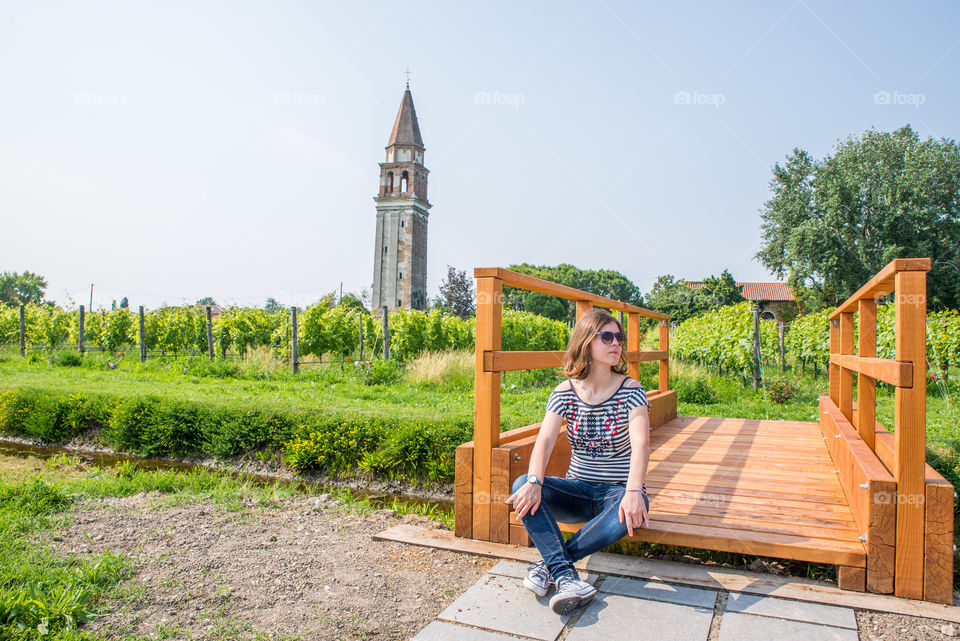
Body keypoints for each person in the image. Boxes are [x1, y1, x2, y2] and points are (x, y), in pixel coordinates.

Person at [505, 309, 651, 615]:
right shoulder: (565, 393)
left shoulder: (631, 391)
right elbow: (544, 442)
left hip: (618, 494)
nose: (616, 343)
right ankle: (567, 577)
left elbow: (641, 444)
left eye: (619, 337)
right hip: (578, 492)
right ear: (586, 342)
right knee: (523, 485)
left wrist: (635, 491)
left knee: (631, 508)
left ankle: (555, 569)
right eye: (607, 337)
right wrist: (534, 481)